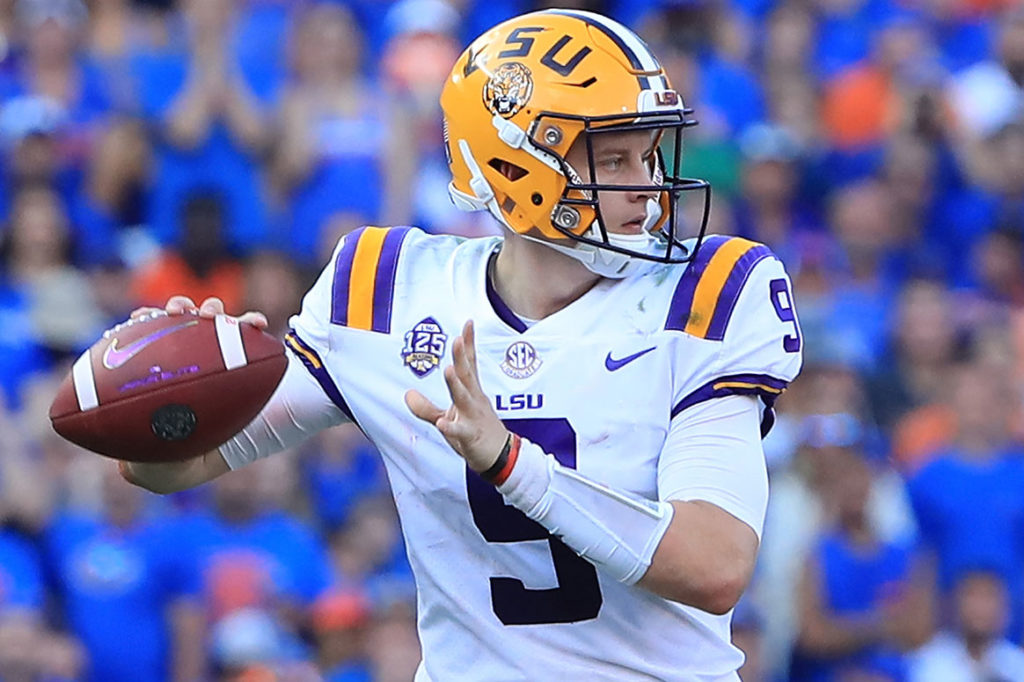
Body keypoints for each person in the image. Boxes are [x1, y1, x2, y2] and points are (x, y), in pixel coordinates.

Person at [120, 10, 803, 679]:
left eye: (649, 155)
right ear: (514, 170)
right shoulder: (389, 290)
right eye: (615, 159)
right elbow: (165, 468)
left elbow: (716, 566)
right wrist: (166, 386)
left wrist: (510, 464)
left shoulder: (708, 292)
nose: (649, 187)